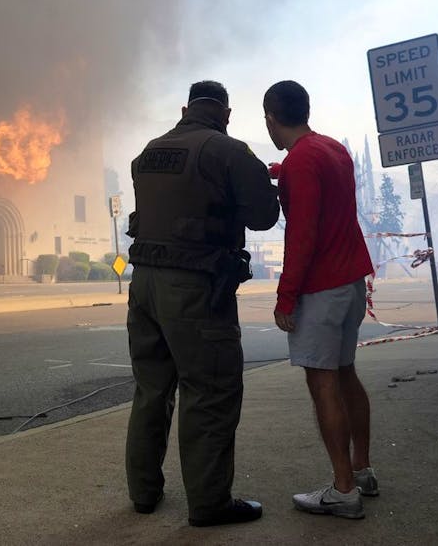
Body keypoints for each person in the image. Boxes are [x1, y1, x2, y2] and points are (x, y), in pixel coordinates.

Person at [125, 80, 279, 527]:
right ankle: (210, 503)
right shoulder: (228, 151)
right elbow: (264, 215)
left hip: (144, 285)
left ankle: (143, 493)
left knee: (151, 390)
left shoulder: (148, 152)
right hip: (195, 288)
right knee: (209, 391)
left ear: (185, 109)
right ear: (226, 114)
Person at [262, 80, 378, 520]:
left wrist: (285, 296)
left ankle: (343, 489)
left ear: (271, 119)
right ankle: (362, 470)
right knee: (346, 373)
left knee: (322, 383)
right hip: (351, 283)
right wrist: (281, 171)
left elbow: (303, 235)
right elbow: (321, 187)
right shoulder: (332, 149)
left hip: (321, 289)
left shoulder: (301, 163)